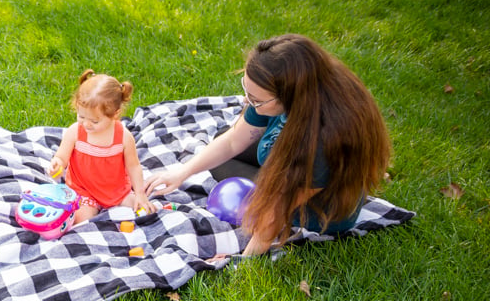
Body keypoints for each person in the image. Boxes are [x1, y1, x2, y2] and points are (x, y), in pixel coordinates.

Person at [143, 34, 391, 258]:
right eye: (246, 91)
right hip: (292, 166)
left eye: (257, 100)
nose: (247, 102)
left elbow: (275, 212)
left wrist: (243, 262)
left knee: (227, 168)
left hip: (318, 207)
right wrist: (182, 172)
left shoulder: (322, 139)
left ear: (291, 96)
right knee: (221, 143)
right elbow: (232, 140)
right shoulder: (294, 87)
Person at [49, 69, 156, 225]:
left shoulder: (124, 137)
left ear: (115, 114)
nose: (86, 124)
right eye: (81, 116)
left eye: (95, 121)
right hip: (83, 190)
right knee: (81, 220)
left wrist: (140, 194)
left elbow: (134, 167)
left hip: (117, 190)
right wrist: (56, 164)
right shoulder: (75, 132)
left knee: (144, 212)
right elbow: (61, 157)